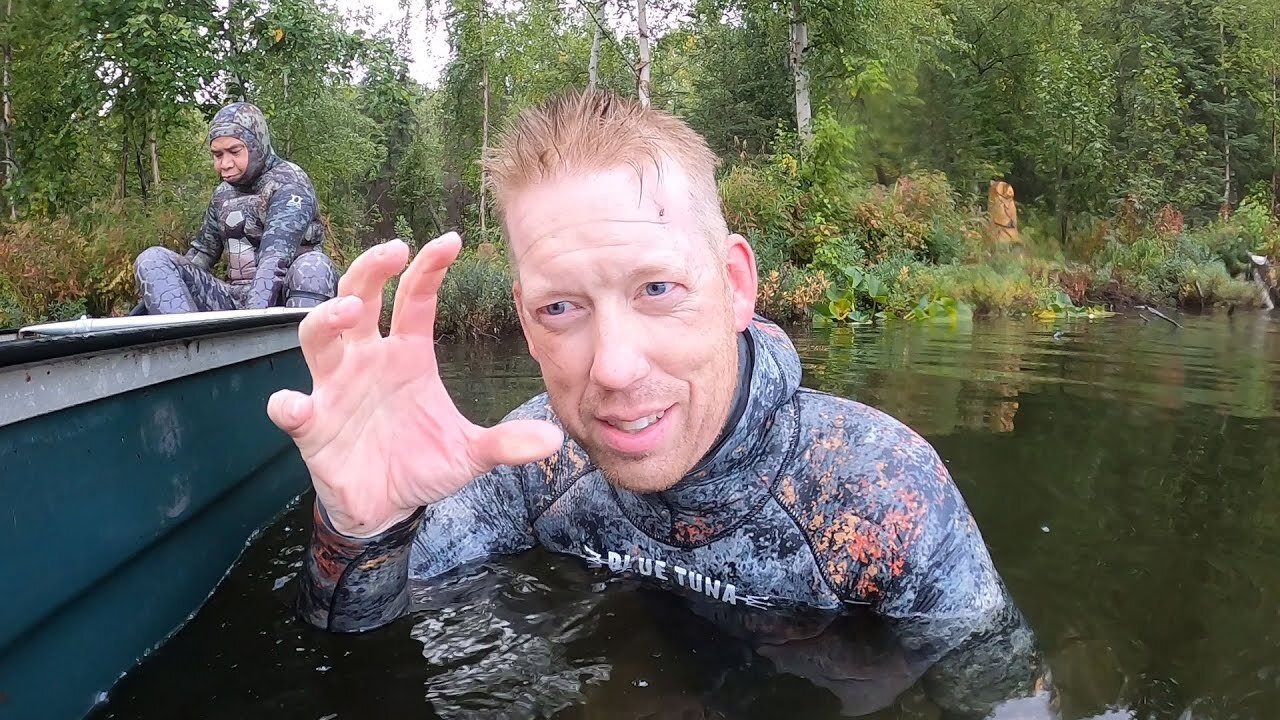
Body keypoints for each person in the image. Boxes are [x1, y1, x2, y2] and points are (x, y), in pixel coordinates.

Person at [267, 89, 1057, 718]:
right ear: (525, 321)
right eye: (561, 308)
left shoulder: (876, 495)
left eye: (657, 289)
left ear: (735, 286)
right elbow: (354, 664)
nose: (613, 368)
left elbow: (997, 696)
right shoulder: (530, 460)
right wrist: (360, 531)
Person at [131, 102, 339, 315]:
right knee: (152, 260)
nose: (225, 164)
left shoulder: (289, 183)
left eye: (234, 151)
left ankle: (299, 344)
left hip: (282, 300)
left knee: (313, 267)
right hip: (234, 298)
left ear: (256, 145)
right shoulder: (222, 194)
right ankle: (183, 343)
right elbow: (201, 255)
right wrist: (149, 303)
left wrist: (249, 323)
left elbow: (275, 260)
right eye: (218, 155)